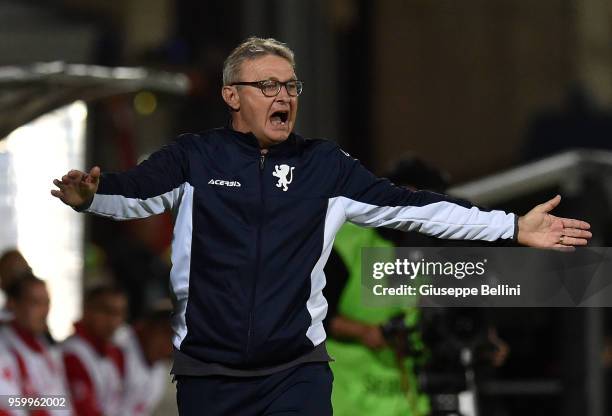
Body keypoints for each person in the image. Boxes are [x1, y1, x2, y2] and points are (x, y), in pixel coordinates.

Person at [50, 37, 592, 416]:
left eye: (291, 85)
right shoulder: (195, 157)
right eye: (267, 85)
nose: (283, 96)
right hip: (209, 376)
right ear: (231, 95)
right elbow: (135, 194)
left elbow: (413, 206)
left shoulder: (324, 167)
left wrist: (512, 227)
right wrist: (91, 198)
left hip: (295, 372)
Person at [0, 273, 73, 415]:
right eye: (35, 303)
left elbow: (63, 402)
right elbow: (6, 401)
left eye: (46, 303)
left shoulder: (47, 346)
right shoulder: (4, 346)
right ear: (14, 304)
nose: (44, 311)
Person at [61, 286, 127, 416]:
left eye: (119, 313)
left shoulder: (114, 352)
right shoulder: (72, 353)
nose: (113, 321)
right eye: (106, 312)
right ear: (87, 310)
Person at [113, 306, 173, 416]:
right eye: (166, 333)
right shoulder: (118, 346)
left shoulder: (159, 372)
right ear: (147, 327)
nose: (169, 345)